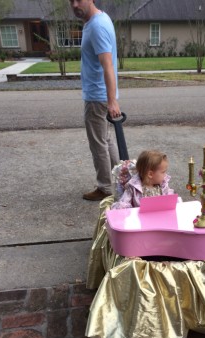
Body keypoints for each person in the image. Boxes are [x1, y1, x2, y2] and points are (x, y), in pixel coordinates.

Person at [69, 0, 121, 201]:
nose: (74, 4)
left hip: (97, 97)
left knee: (98, 143)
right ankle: (119, 179)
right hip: (101, 96)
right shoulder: (98, 19)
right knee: (106, 140)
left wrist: (112, 101)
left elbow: (107, 65)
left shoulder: (97, 25)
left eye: (78, 0)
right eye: (71, 1)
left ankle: (105, 188)